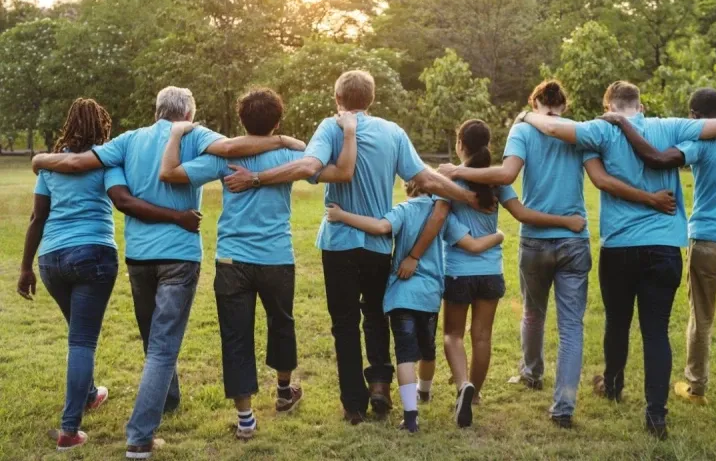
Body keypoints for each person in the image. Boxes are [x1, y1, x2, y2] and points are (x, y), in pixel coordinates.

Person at [32, 86, 306, 459]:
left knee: (152, 340)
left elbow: (79, 165)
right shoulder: (197, 135)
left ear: (157, 110)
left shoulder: (129, 140)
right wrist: (284, 139)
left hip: (139, 257)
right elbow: (232, 149)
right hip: (179, 254)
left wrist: (41, 159)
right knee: (162, 348)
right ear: (189, 114)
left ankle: (169, 398)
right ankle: (139, 438)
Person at [223, 70, 483, 425]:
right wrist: (467, 196)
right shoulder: (393, 132)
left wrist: (255, 178)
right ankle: (380, 383)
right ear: (371, 99)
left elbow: (308, 166)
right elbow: (424, 178)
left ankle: (354, 404)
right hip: (377, 241)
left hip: (339, 241)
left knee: (344, 323)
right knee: (376, 315)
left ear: (338, 99)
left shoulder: (331, 128)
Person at [437, 81, 675, 428]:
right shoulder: (578, 134)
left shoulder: (522, 130)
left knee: (533, 313)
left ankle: (532, 373)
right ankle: (563, 405)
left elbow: (506, 175)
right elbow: (599, 179)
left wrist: (456, 171)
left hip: (535, 240)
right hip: (574, 239)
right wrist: (650, 197)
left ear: (534, 102)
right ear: (565, 106)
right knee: (571, 326)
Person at [519, 80, 716, 439]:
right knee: (656, 330)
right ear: (640, 106)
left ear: (608, 106)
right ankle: (656, 414)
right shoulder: (668, 126)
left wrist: (526, 116)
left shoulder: (602, 129)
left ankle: (612, 384)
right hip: (665, 247)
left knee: (617, 321)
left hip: (621, 246)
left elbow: (551, 126)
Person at [158, 87, 359, 439]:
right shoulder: (289, 153)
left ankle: (246, 418)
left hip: (232, 259)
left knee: (236, 335)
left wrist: (175, 135)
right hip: (276, 258)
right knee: (282, 324)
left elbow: (172, 172)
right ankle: (283, 392)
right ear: (277, 120)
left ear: (241, 120)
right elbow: (339, 171)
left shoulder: (225, 157)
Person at [17, 98, 203, 452]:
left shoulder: (52, 165)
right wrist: (176, 216)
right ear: (102, 126)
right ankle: (69, 430)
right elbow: (122, 200)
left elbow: (37, 216)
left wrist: (26, 267)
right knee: (82, 341)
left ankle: (89, 393)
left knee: (78, 333)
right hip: (93, 256)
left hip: (52, 259)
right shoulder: (108, 158)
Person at [599, 87, 716, 439]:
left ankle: (696, 387)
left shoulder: (700, 145)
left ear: (695, 118)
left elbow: (656, 159)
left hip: (707, 240)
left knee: (702, 317)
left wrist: (622, 123)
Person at [325, 179, 504, 433]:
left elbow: (379, 227)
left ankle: (411, 416)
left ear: (409, 188)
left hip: (401, 296)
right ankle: (425, 391)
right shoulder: (443, 215)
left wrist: (341, 214)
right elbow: (472, 245)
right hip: (429, 297)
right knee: (427, 351)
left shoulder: (403, 210)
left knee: (405, 355)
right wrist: (499, 235)